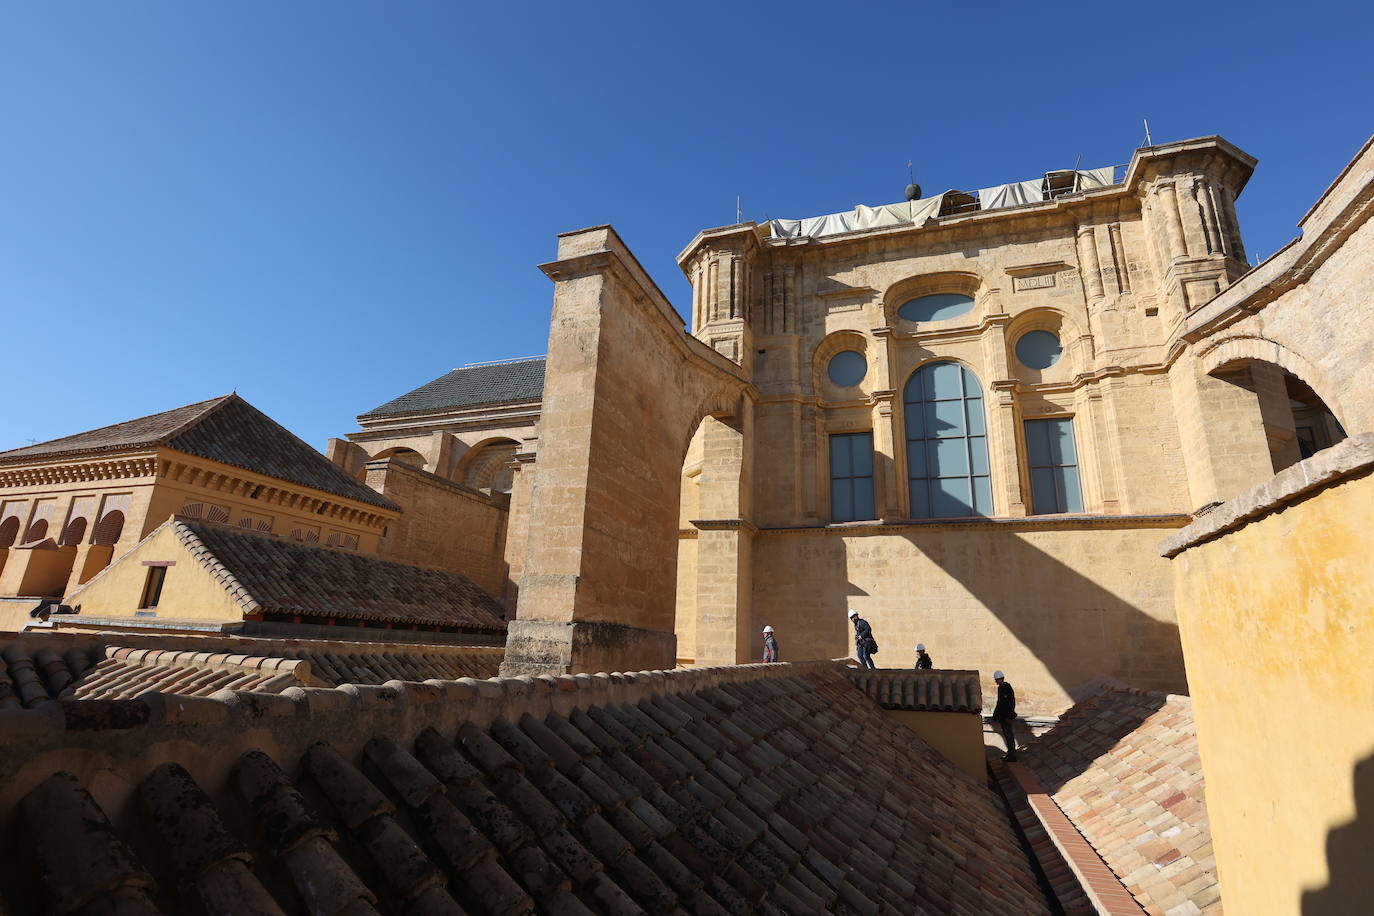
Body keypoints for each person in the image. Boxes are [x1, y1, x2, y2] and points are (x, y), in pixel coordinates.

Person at [992, 670, 1019, 762]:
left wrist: (1009, 716)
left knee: (1009, 735)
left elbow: (1008, 703)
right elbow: (1000, 703)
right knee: (1008, 735)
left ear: (1001, 679)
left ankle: (1012, 755)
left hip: (1006, 717)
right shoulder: (1002, 688)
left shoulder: (1005, 688)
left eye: (997, 679)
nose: (996, 681)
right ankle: (1011, 754)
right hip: (1003, 717)